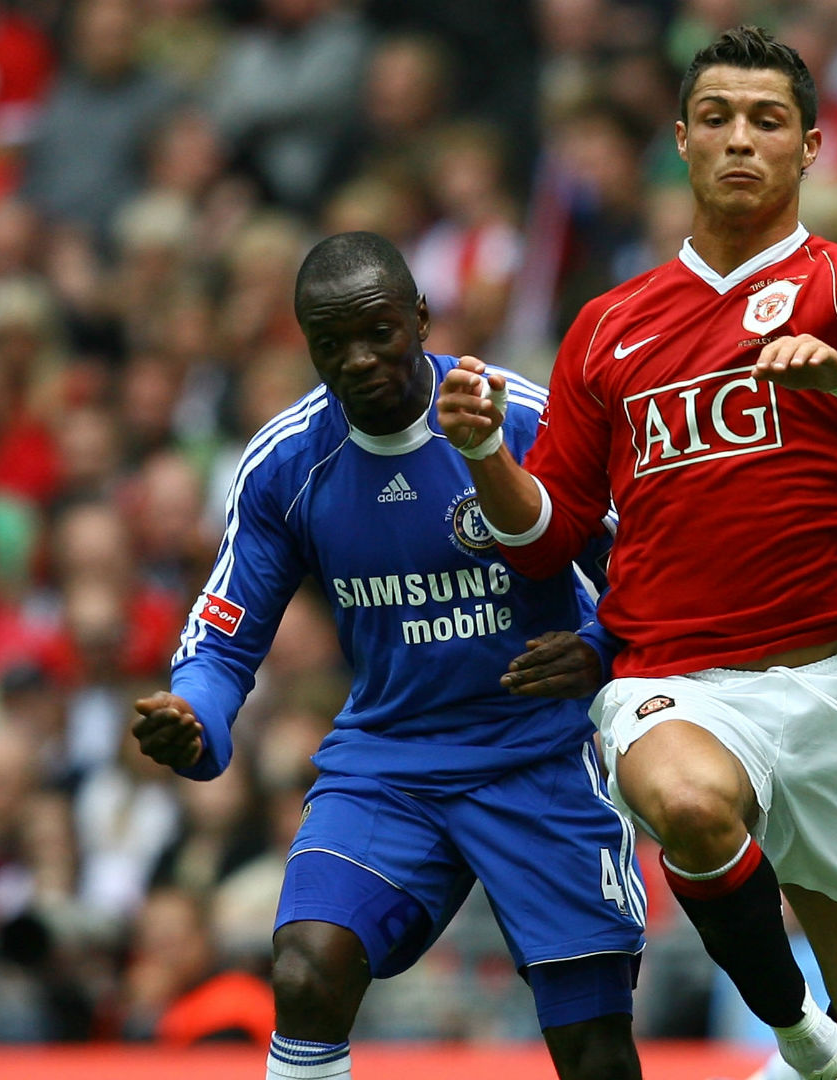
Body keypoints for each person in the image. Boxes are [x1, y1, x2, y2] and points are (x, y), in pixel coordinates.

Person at [435, 27, 837, 1080]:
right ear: (680, 139)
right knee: (686, 804)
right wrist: (488, 452)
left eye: (767, 121)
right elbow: (549, 535)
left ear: (810, 146)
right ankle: (798, 1033)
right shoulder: (608, 325)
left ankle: (824, 1049)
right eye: (716, 118)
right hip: (675, 680)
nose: (740, 140)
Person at [130, 232, 644, 1080]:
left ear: (422, 318)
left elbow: (645, 565)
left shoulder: (519, 418)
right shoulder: (286, 463)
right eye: (332, 343)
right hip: (390, 762)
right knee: (305, 970)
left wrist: (597, 646)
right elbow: (223, 636)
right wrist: (198, 713)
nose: (359, 359)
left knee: (593, 1047)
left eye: (379, 332)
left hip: (540, 754)